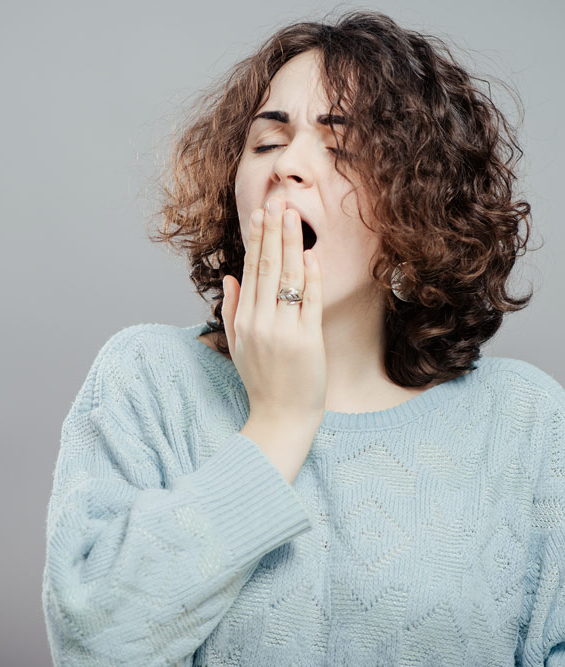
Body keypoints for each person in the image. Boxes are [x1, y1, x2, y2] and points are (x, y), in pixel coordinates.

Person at [42, 9, 564, 666]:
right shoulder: (147, 379)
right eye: (267, 142)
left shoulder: (529, 423)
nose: (288, 165)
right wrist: (278, 426)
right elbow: (93, 645)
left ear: (418, 204)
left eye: (341, 148)